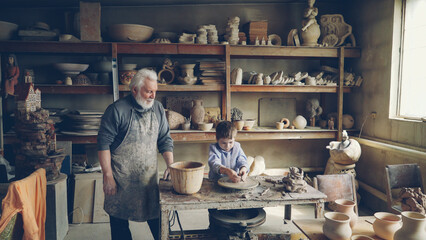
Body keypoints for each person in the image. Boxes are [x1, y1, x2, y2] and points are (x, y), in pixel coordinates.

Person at [97, 68, 174, 240]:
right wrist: (107, 175)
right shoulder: (116, 110)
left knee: (160, 226)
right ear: (134, 90)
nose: (153, 96)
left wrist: (171, 165)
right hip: (120, 181)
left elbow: (165, 140)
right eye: (148, 91)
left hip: (148, 180)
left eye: (155, 91)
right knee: (120, 229)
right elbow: (103, 144)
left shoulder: (158, 109)